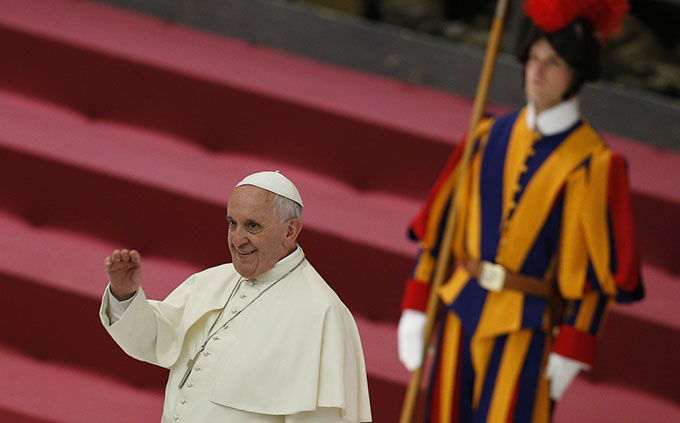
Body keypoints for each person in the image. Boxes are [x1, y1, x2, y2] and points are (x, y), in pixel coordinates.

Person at [396, 0, 644, 422]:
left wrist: (574, 346)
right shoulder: (488, 134)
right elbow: (442, 227)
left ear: (577, 73)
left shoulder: (591, 164)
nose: (538, 71)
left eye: (554, 62)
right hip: (460, 307)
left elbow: (596, 274)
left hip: (526, 327)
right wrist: (417, 305)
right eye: (534, 57)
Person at [100, 170, 372, 423]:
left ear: (290, 231)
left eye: (252, 226)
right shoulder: (213, 280)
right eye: (233, 224)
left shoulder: (323, 313)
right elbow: (157, 338)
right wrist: (125, 295)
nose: (237, 239)